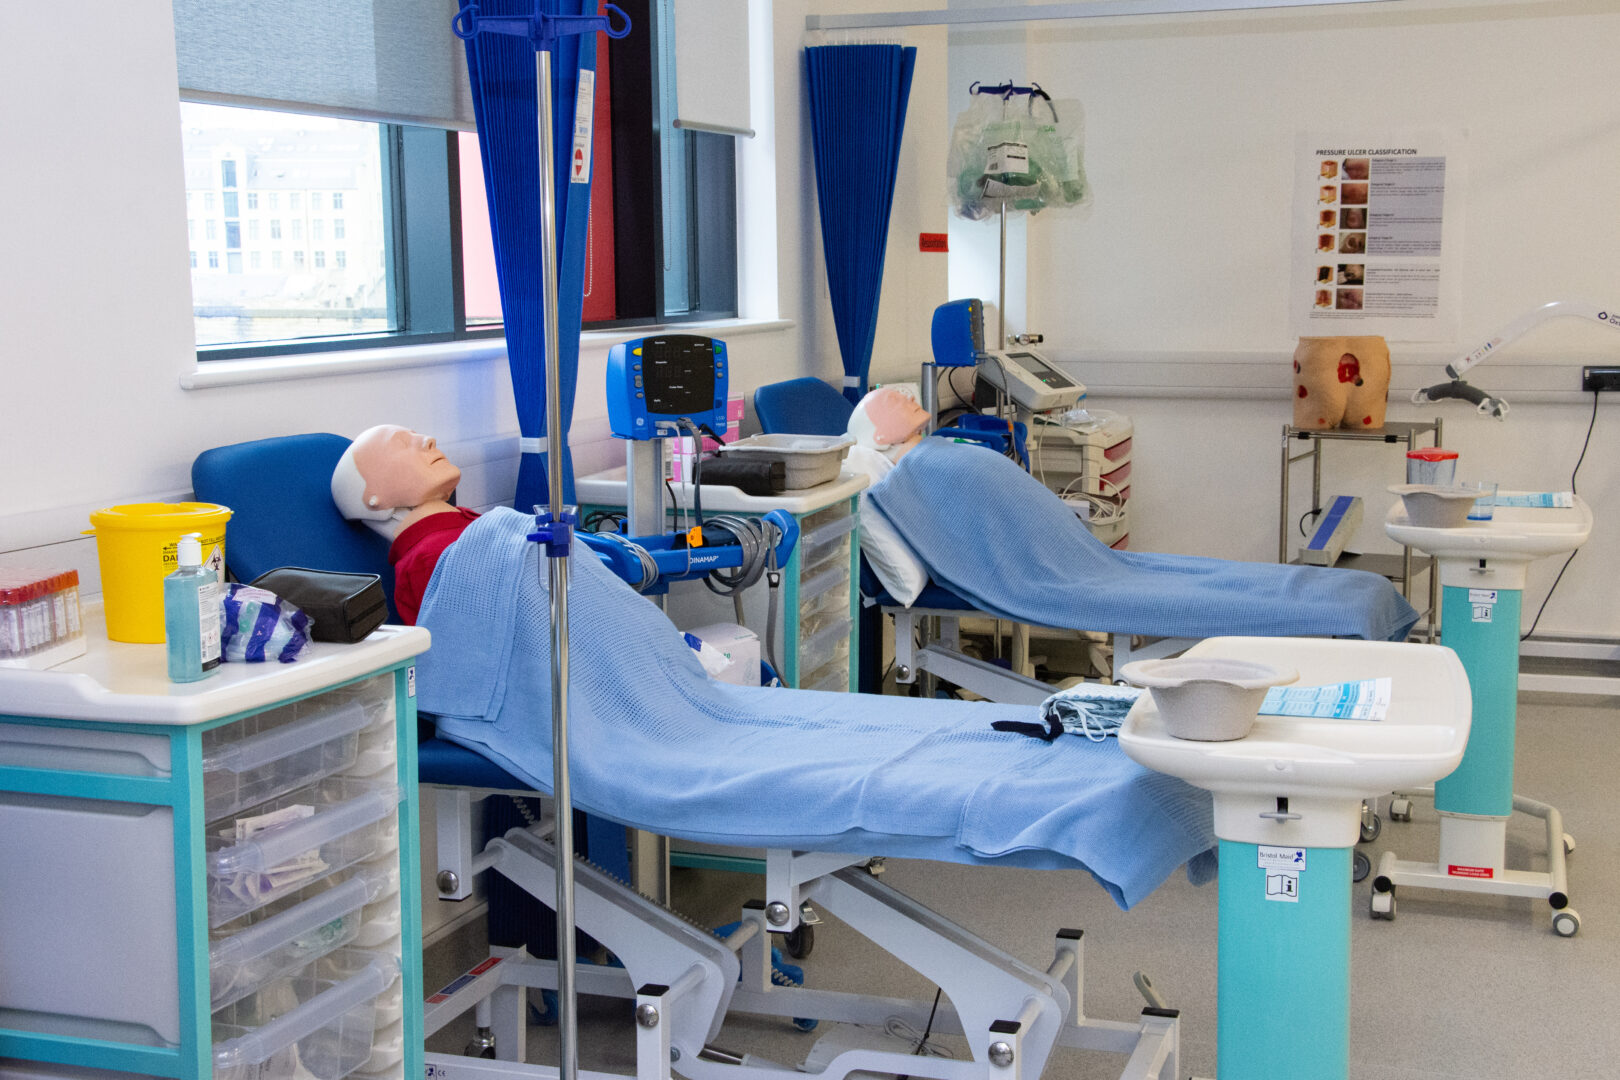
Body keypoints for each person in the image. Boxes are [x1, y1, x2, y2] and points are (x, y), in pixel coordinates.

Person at [331, 424, 477, 623]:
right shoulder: (429, 559)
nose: (429, 440)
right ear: (373, 497)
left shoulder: (469, 526)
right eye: (402, 444)